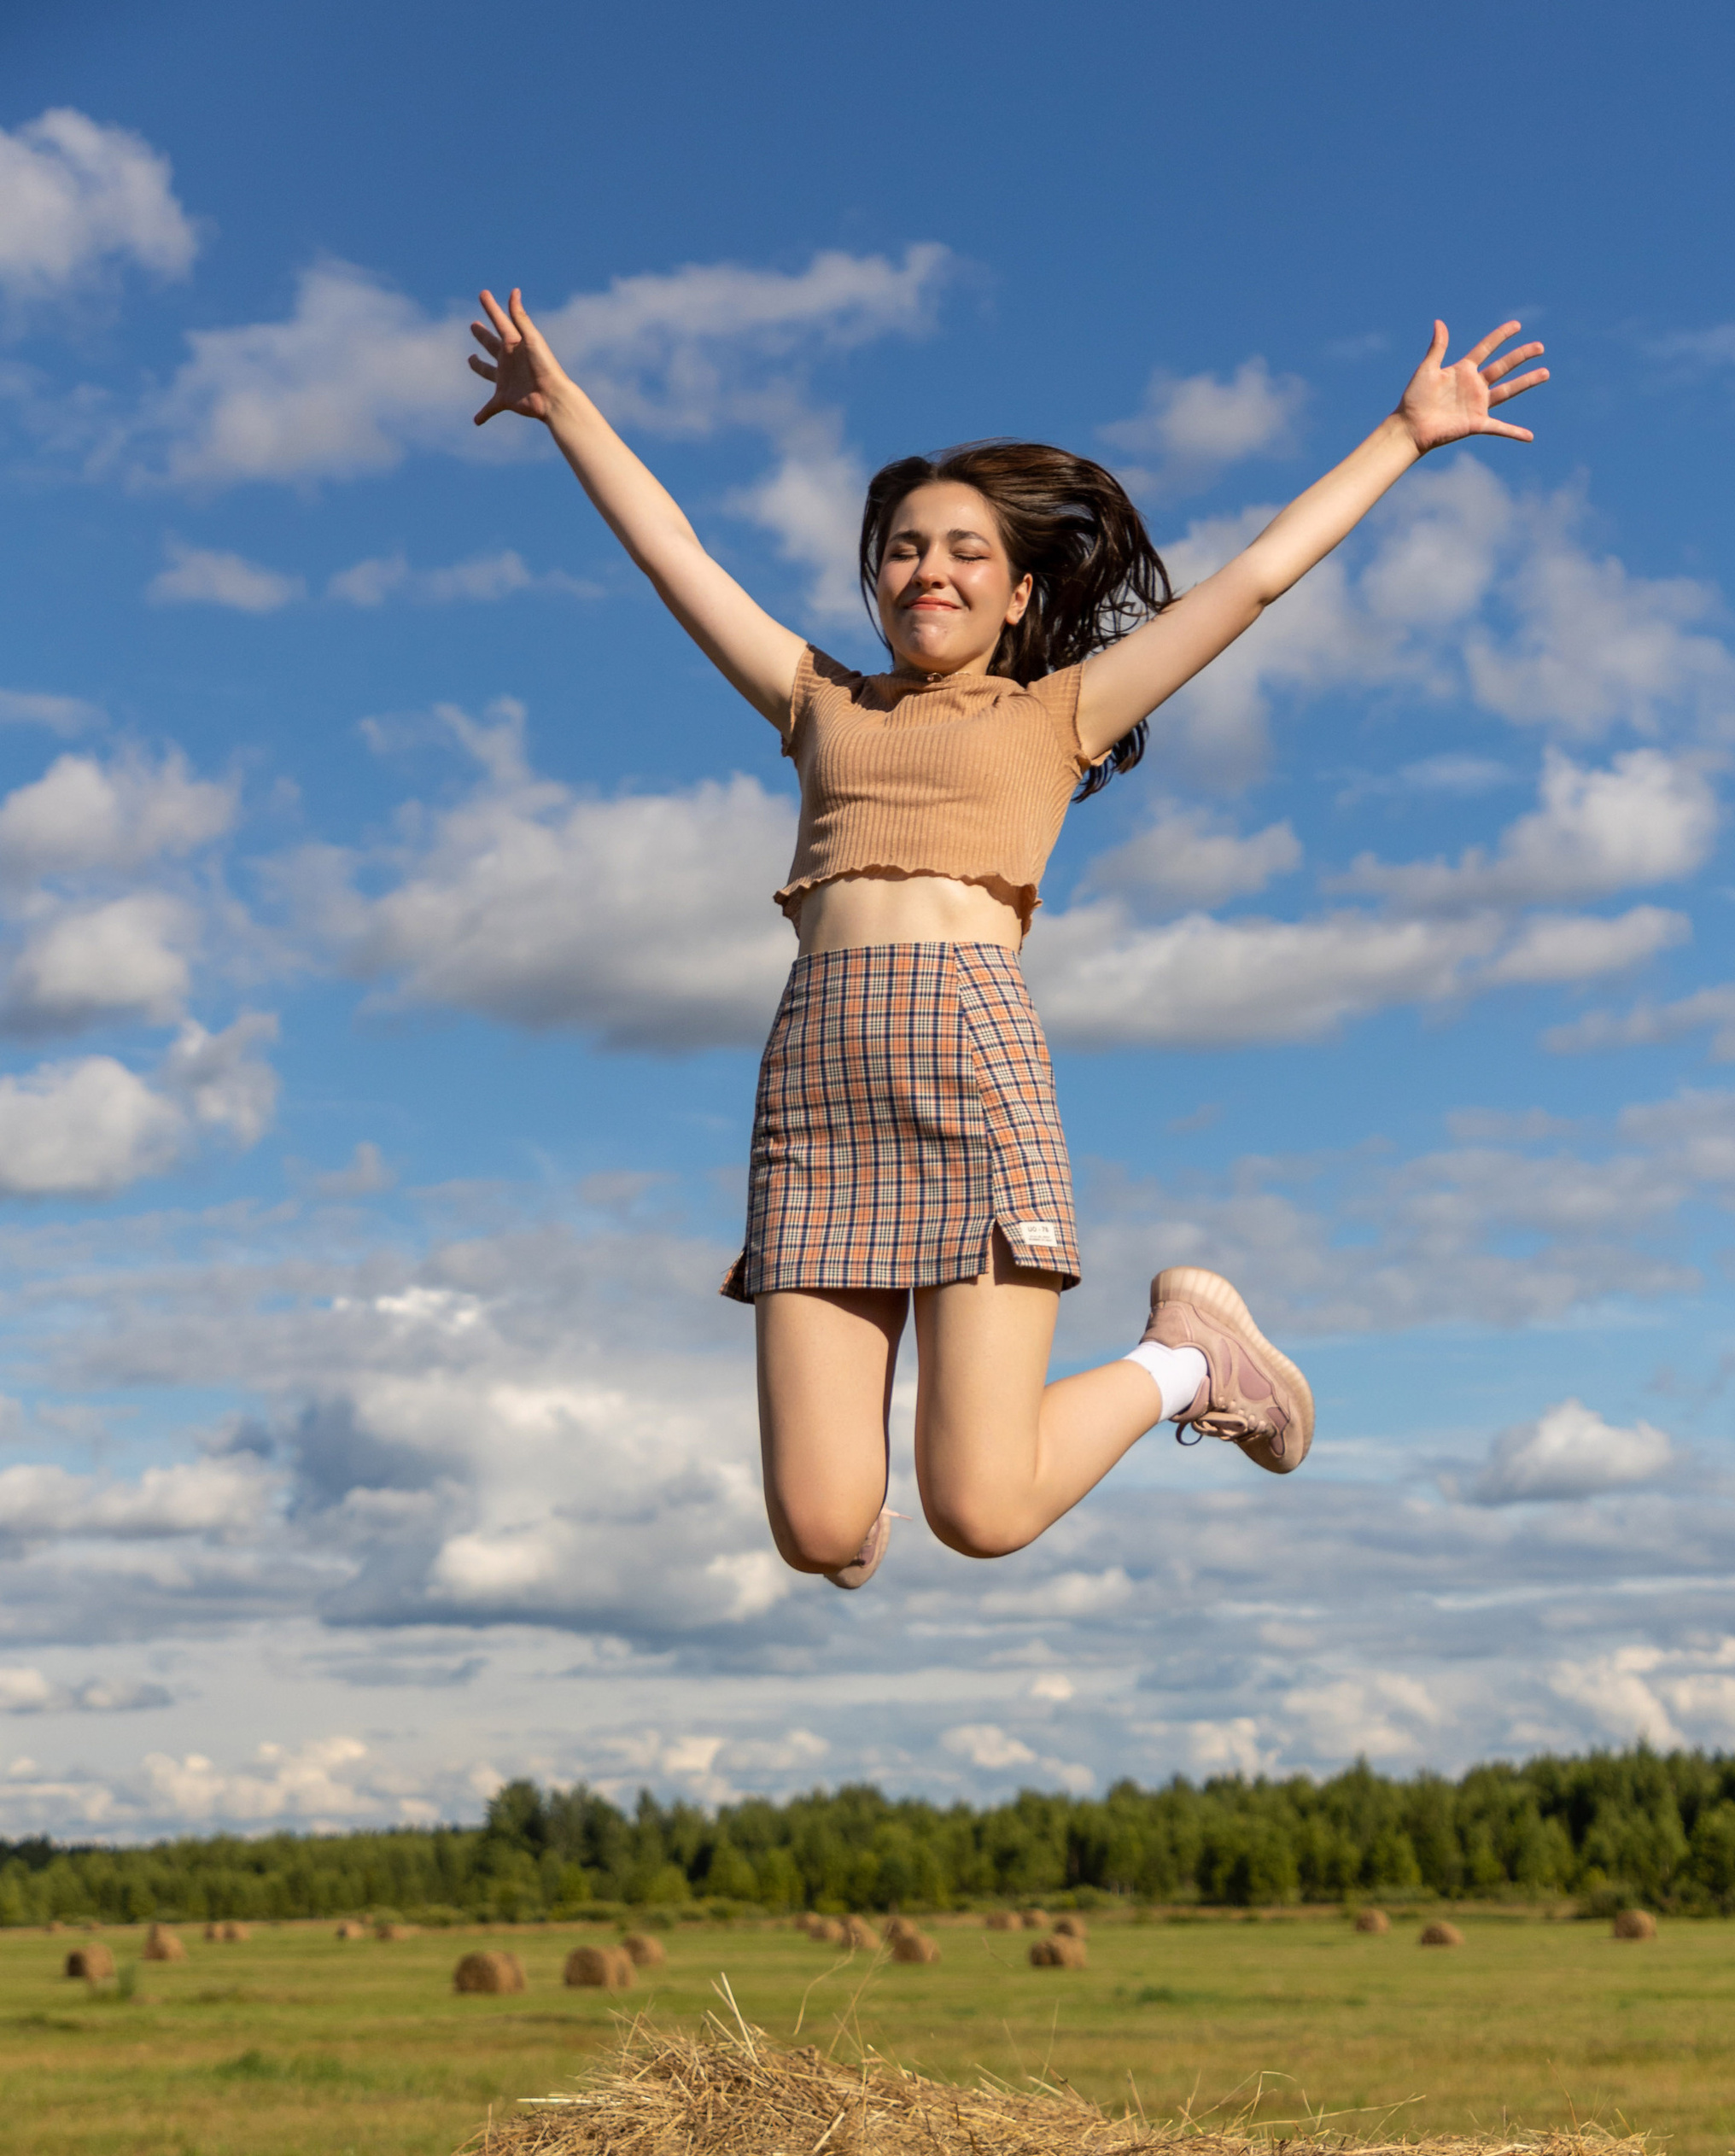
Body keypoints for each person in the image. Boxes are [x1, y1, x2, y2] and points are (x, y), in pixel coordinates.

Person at [469, 291, 1548, 1588]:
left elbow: (1253, 580)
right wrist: (562, 405)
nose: (930, 567)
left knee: (980, 1512)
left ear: (1021, 589)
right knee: (819, 1533)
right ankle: (863, 1493)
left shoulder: (1057, 713)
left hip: (968, 1063)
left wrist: (1404, 434)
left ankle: (1189, 1360)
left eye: (966, 550)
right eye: (905, 548)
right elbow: (674, 553)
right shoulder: (820, 701)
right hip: (816, 1086)